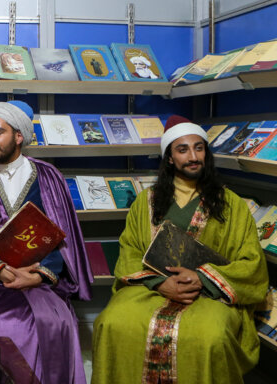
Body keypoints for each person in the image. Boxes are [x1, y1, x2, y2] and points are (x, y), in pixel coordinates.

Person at [92, 115, 269, 384]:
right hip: (151, 289)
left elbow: (251, 262)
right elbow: (129, 250)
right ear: (170, 158)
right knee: (111, 321)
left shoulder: (232, 204)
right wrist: (160, 283)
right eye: (182, 149)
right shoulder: (146, 202)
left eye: (199, 148)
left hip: (209, 294)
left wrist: (203, 278)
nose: (193, 156)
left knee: (211, 335)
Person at [0, 100, 93, 384]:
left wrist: (39, 275)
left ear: (18, 136)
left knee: (56, 320)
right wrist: (0, 269)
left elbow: (62, 237)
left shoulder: (49, 176)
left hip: (40, 277)